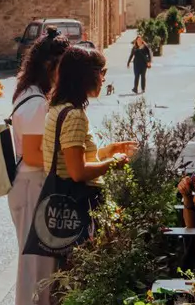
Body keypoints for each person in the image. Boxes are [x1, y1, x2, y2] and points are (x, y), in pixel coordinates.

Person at [5, 30, 71, 305]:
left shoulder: (29, 94)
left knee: (38, 271)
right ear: (50, 65)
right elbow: (33, 155)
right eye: (63, 66)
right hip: (32, 187)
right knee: (34, 273)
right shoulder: (36, 103)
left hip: (30, 188)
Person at [48, 45, 134, 198]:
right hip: (77, 203)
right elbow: (78, 172)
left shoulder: (58, 108)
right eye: (102, 72)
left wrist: (108, 151)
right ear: (86, 76)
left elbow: (72, 160)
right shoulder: (74, 116)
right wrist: (113, 162)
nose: (104, 78)